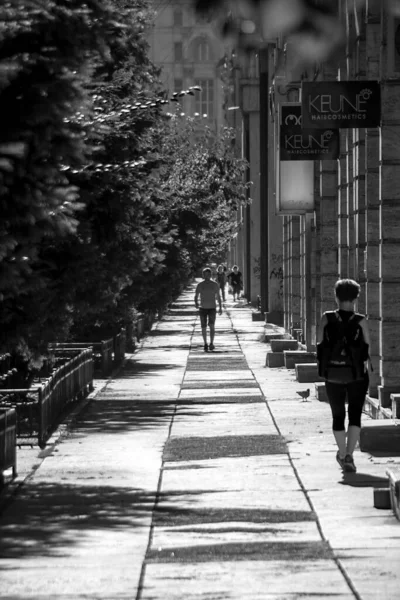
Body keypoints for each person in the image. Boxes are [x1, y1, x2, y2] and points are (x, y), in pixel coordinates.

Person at [318, 279, 371, 474]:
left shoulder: (327, 318)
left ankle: (341, 453)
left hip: (333, 374)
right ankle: (350, 454)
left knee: (337, 415)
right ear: (356, 298)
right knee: (355, 414)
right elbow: (368, 348)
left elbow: (319, 343)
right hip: (357, 374)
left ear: (336, 296)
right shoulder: (361, 321)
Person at [194, 268, 222, 352]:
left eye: (208, 274)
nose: (206, 276)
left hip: (212, 308)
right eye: (205, 274)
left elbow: (218, 297)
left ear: (210, 275)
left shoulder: (215, 284)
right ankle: (205, 343)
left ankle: (211, 343)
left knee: (212, 326)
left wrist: (220, 307)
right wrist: (196, 303)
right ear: (203, 275)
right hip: (202, 308)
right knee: (203, 327)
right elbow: (196, 295)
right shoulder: (200, 285)